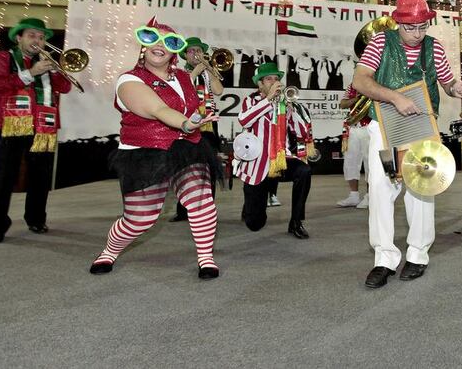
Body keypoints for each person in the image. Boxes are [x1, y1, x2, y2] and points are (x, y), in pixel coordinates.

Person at [353, 0, 462, 289]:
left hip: (421, 125)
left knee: (421, 189)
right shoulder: (380, 42)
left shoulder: (435, 47)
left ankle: (418, 255)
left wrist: (457, 89)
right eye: (410, 27)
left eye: (422, 27)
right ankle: (384, 259)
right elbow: (360, 80)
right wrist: (395, 98)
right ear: (397, 22)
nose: (417, 34)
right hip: (384, 125)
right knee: (381, 190)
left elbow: (446, 83)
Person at [89, 18, 220, 279]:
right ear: (143, 45)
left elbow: (196, 105)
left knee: (202, 202)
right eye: (152, 38)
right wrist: (187, 122)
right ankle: (109, 251)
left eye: (169, 41)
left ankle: (206, 258)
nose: (160, 45)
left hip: (186, 147)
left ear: (174, 51)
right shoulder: (129, 80)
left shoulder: (183, 76)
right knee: (140, 220)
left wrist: (196, 118)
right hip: (144, 152)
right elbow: (158, 109)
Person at [0, 18, 73, 244]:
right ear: (19, 37)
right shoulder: (1, 57)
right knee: (3, 178)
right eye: (32, 35)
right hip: (8, 126)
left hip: (43, 127)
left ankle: (36, 219)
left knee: (40, 178)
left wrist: (57, 68)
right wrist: (31, 72)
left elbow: (66, 87)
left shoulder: (46, 61)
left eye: (41, 37)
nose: (38, 40)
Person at [236, 62, 314, 238]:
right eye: (268, 79)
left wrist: (294, 111)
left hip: (281, 157)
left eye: (276, 79)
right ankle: (250, 205)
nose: (274, 82)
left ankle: (296, 222)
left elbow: (301, 132)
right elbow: (244, 120)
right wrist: (268, 99)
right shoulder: (251, 100)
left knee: (304, 171)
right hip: (257, 161)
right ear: (260, 84)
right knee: (255, 224)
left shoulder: (284, 102)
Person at [171, 37, 224, 222]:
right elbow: (179, 92)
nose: (196, 54)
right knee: (185, 168)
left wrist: (209, 70)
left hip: (208, 125)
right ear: (185, 55)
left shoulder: (206, 72)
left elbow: (218, 91)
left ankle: (207, 209)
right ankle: (183, 210)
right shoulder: (178, 73)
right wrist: (194, 73)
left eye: (199, 51)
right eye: (192, 51)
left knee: (209, 167)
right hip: (187, 123)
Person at [336, 83, 370, 208]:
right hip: (353, 127)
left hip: (370, 128)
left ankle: (369, 196)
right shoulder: (352, 86)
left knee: (369, 163)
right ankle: (354, 196)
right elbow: (342, 104)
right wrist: (356, 99)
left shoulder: (377, 83)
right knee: (350, 161)